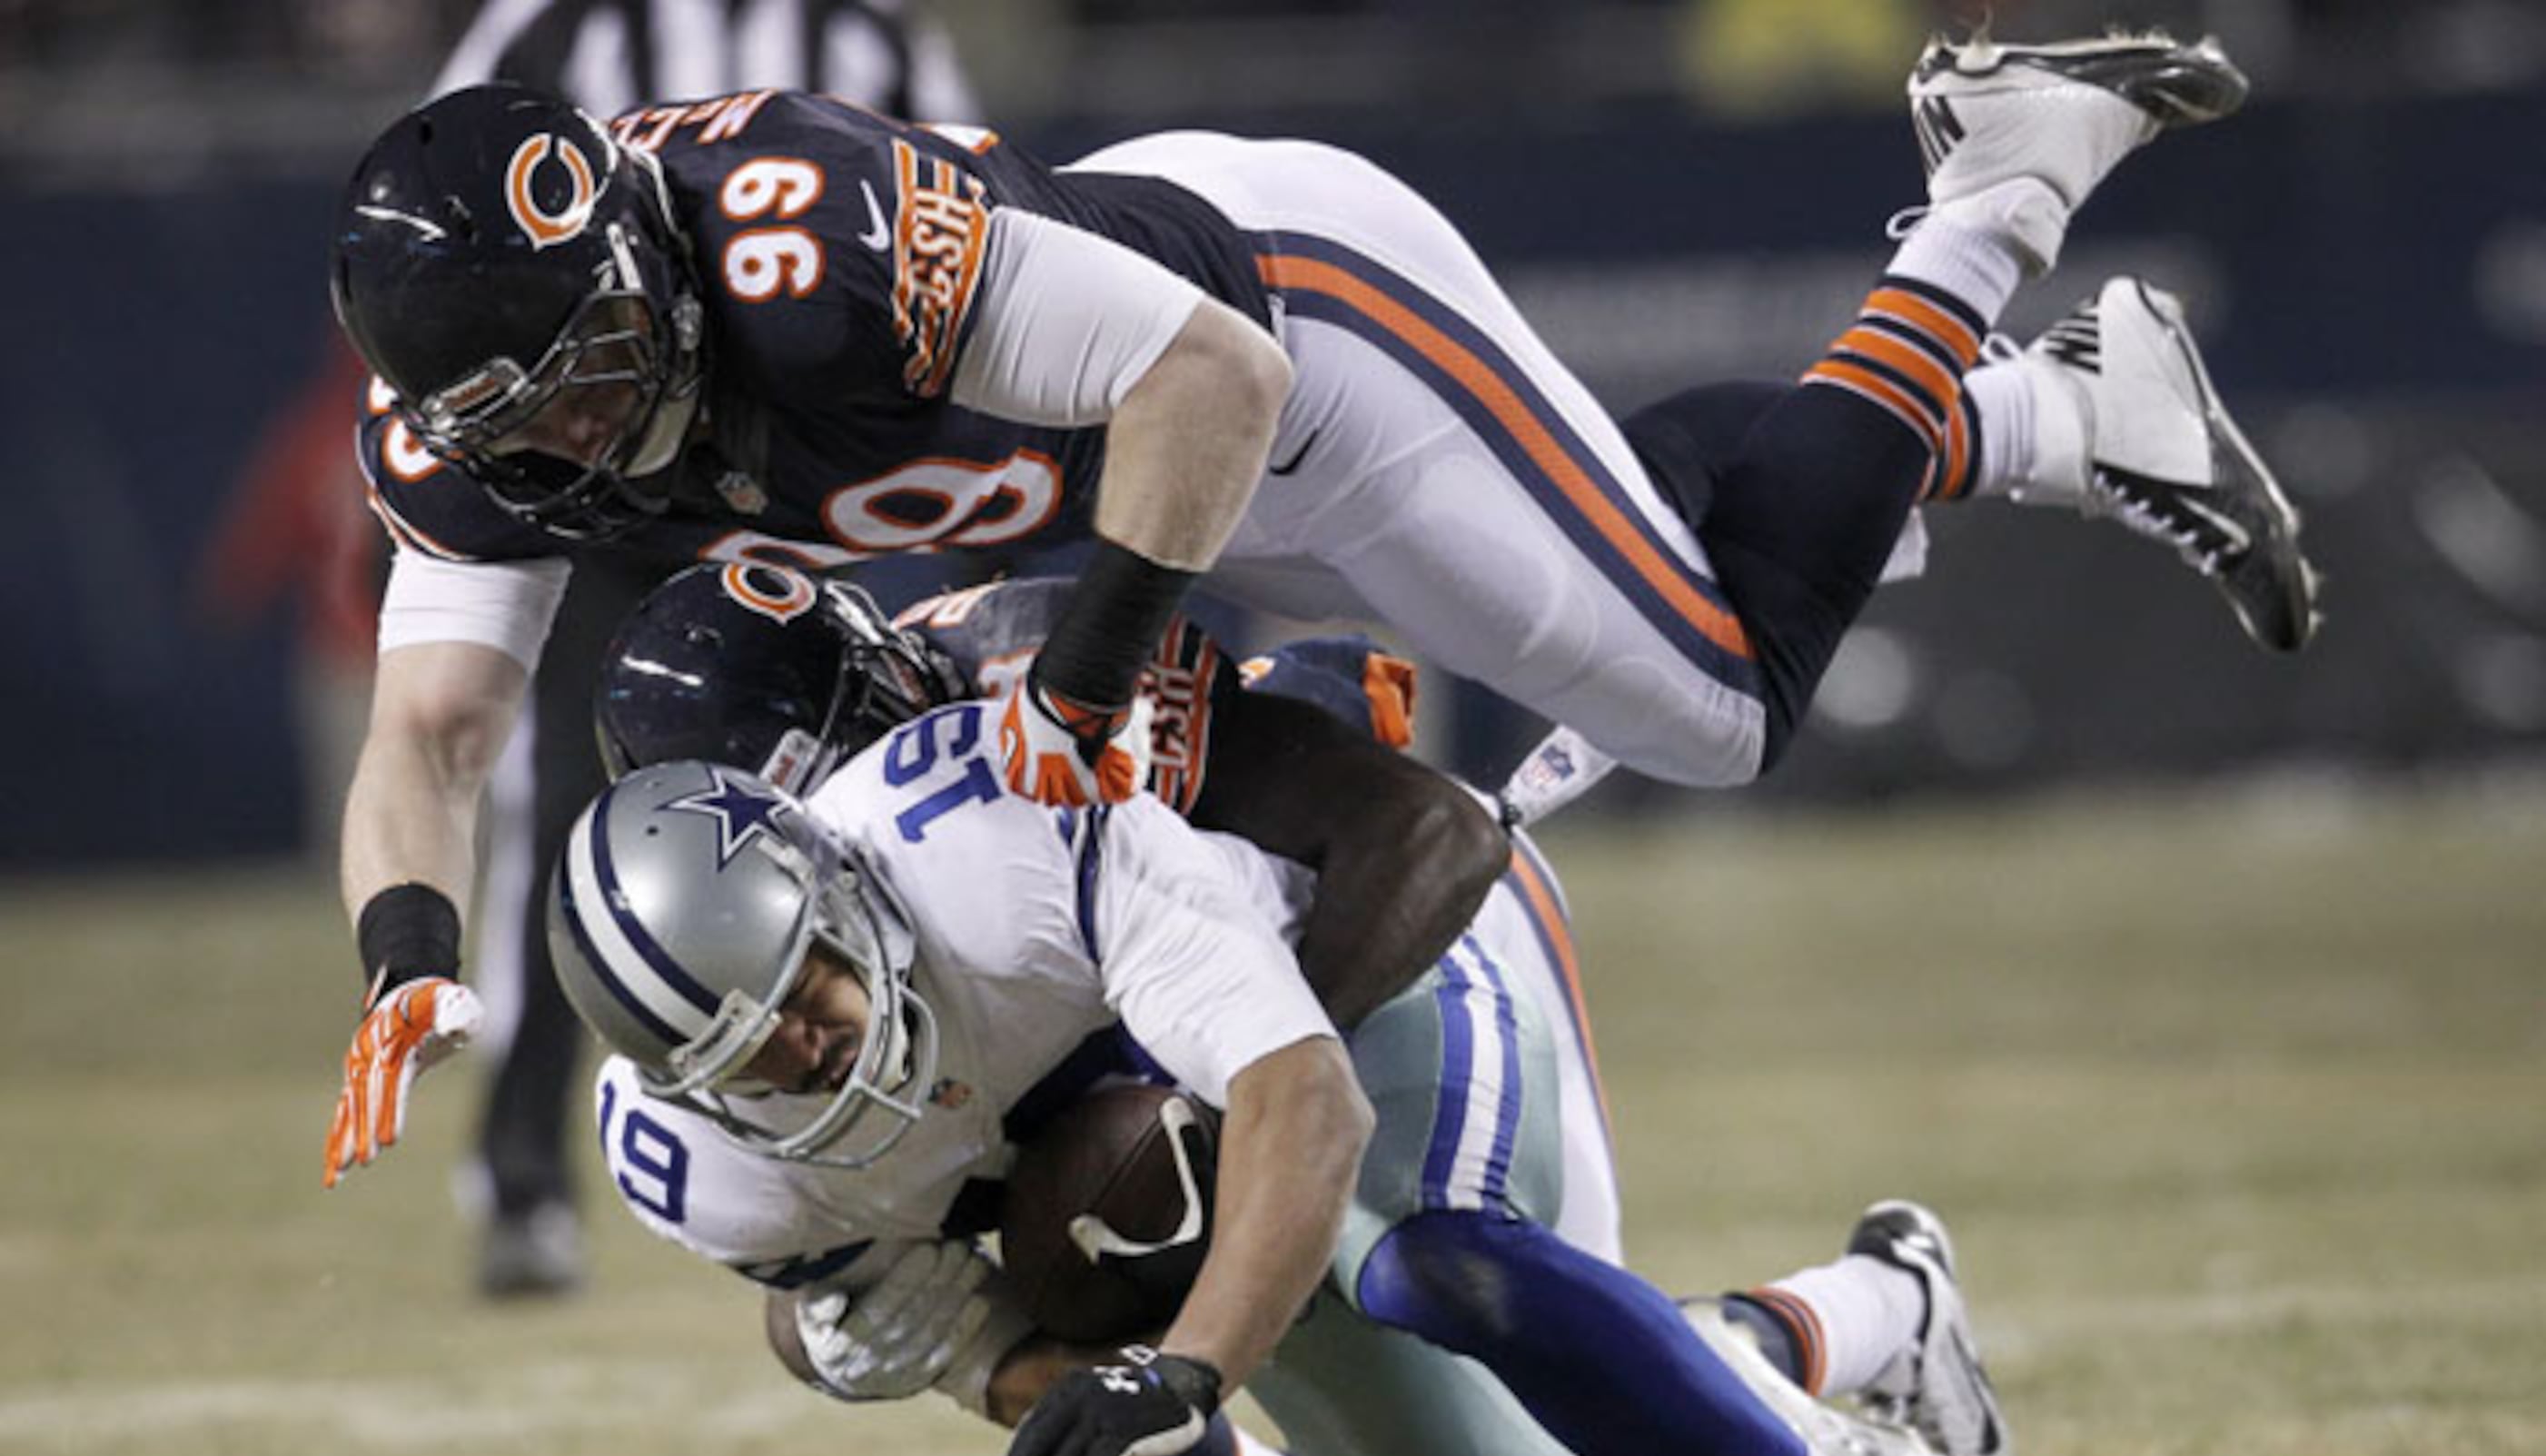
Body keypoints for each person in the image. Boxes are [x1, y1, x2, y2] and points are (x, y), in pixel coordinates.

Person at [321, 24, 2321, 1193]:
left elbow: (1209, 381)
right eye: (517, 414)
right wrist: (408, 947)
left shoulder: (801, 246)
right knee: (1610, 573)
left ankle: (2005, 193)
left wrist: (1090, 674)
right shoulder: (479, 440)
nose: (570, 435)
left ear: (638, 274)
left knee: (1706, 702)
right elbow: (429, 734)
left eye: (582, 369)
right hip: (1107, 481)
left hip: (1282, 332)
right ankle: (2041, 417)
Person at [518, 577, 2015, 1456]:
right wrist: (940, 1347)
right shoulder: (709, 1161)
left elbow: (1349, 985)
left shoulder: (1012, 786)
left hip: (1374, 975)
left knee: (1437, 1264)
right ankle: (1787, 1337)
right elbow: (882, 1299)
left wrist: (1188, 1334)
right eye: (744, 1054)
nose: (804, 1050)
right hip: (1196, 1131)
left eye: (800, 988)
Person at [420, 0, 986, 1296]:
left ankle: (933, 1120)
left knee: (891, 782)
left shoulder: (870, 31)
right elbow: (442, 211)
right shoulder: (553, 26)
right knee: (565, 809)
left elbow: (973, 213)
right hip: (610, 472)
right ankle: (522, 1172)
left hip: (812, 468)